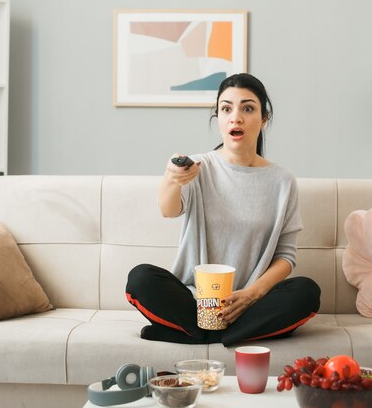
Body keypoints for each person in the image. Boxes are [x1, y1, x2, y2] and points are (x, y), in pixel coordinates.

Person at [126, 73, 320, 347]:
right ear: (217, 117)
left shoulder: (283, 181)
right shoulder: (198, 167)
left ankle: (197, 335)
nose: (235, 117)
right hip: (194, 302)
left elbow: (286, 256)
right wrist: (171, 177)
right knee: (141, 278)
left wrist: (251, 295)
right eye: (226, 108)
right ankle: (228, 335)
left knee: (307, 292)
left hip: (249, 305)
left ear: (264, 119)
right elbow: (168, 210)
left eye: (248, 108)